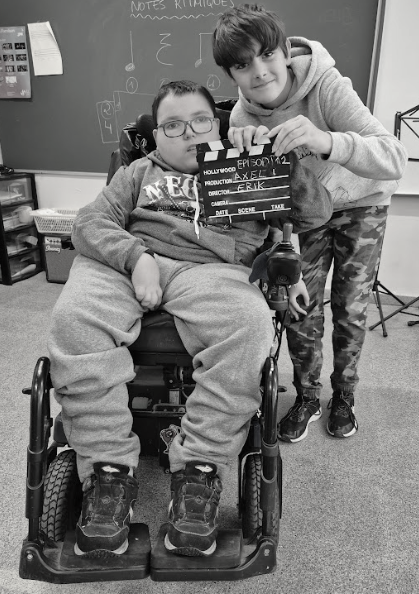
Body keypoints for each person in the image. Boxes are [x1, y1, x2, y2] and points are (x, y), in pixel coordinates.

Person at [47, 80, 333, 559]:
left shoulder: (246, 166)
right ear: (156, 136)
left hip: (212, 271)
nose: (189, 133)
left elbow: (314, 213)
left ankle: (199, 470)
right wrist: (135, 258)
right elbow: (89, 222)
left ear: (216, 126)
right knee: (74, 318)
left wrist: (279, 159)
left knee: (249, 325)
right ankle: (107, 472)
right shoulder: (138, 172)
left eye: (201, 121)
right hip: (130, 261)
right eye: (173, 126)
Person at [212, 4, 408, 443]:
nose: (259, 72)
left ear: (284, 52)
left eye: (267, 55)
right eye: (242, 65)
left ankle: (344, 396)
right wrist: (246, 160)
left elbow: (394, 158)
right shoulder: (241, 119)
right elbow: (269, 203)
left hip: (362, 203)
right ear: (231, 73)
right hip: (303, 216)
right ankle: (306, 396)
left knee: (351, 307)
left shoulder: (326, 85)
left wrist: (326, 141)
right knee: (299, 306)